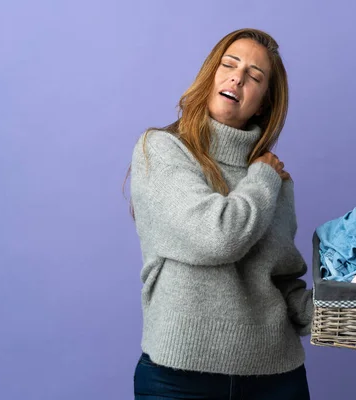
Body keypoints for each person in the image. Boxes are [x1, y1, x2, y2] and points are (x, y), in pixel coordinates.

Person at [127, 28, 313, 400]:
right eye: (229, 64)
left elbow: (280, 280)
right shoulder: (162, 150)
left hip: (276, 378)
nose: (238, 77)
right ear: (211, 75)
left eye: (255, 76)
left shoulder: (275, 181)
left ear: (262, 103)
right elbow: (218, 236)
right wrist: (262, 176)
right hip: (178, 379)